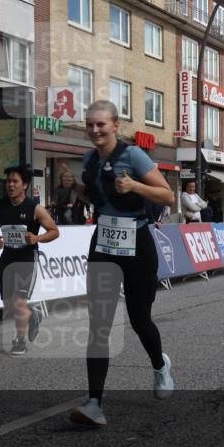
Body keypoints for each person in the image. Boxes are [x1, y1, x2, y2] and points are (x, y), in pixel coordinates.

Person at [61, 100, 176, 427]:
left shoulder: (134, 155)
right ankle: (94, 403)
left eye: (101, 124)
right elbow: (100, 199)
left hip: (137, 243)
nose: (95, 130)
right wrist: (76, 188)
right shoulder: (89, 159)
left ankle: (160, 366)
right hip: (104, 243)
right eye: (90, 125)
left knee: (140, 320)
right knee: (99, 324)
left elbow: (167, 196)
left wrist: (135, 185)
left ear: (115, 126)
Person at [0, 164, 60, 355]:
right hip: (7, 257)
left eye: (15, 181)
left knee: (19, 302)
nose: (10, 185)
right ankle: (33, 313)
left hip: (27, 258)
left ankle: (20, 340)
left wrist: (37, 238)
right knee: (9, 305)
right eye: (8, 181)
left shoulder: (35, 208)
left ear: (25, 184)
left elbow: (54, 231)